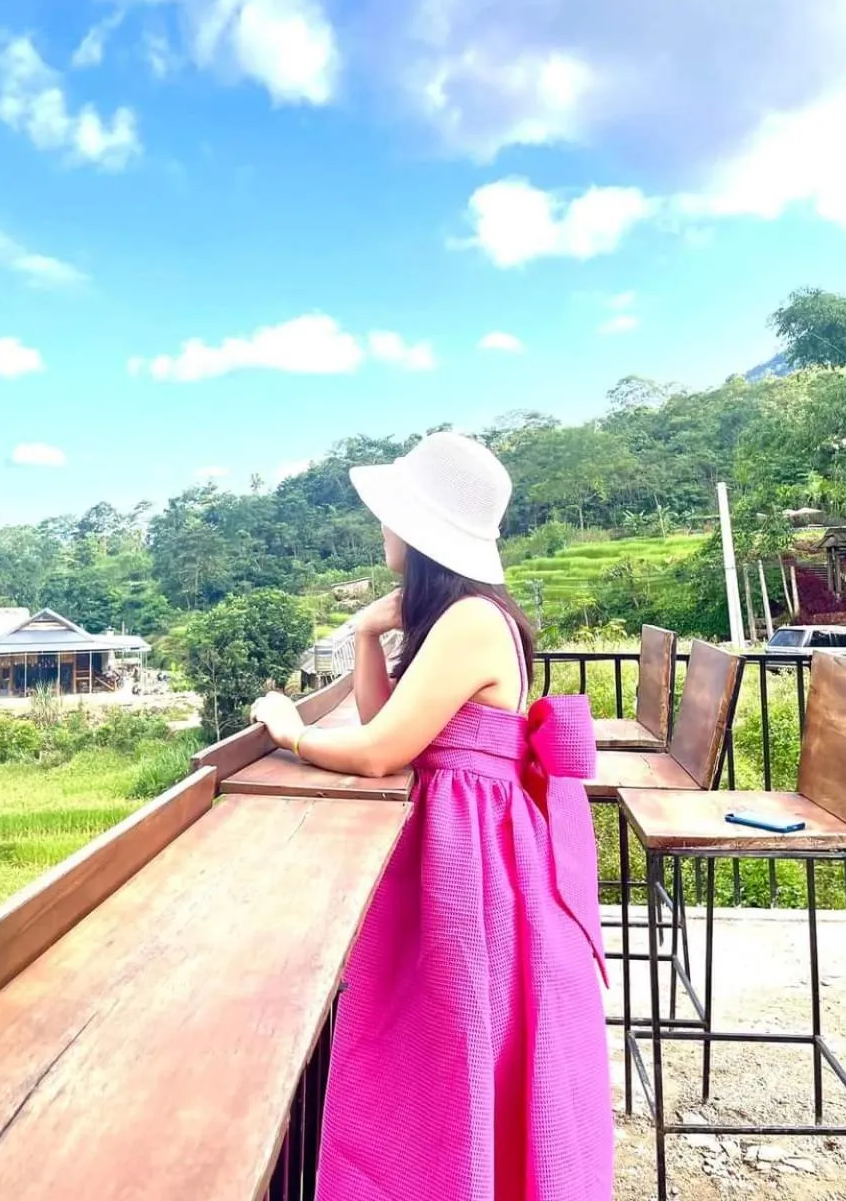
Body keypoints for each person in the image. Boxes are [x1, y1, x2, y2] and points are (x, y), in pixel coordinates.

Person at [251, 431, 612, 1201]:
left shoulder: (472, 621)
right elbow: (398, 729)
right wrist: (369, 634)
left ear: (416, 530)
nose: (381, 529)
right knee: (453, 1052)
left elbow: (380, 750)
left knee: (447, 1047)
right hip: (472, 850)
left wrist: (293, 733)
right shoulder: (460, 617)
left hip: (476, 866)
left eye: (390, 515)